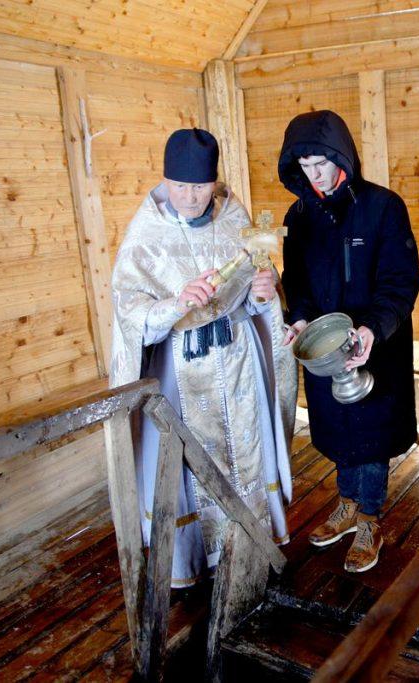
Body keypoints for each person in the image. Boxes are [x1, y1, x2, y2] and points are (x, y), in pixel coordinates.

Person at [110, 128, 298, 587]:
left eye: (200, 187)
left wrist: (263, 290)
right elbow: (130, 312)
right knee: (187, 463)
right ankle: (192, 560)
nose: (191, 198)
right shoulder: (145, 234)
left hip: (237, 358)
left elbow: (258, 286)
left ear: (214, 181)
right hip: (180, 368)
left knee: (248, 453)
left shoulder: (234, 215)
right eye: (181, 187)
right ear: (165, 180)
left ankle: (250, 542)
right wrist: (176, 303)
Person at [278, 110, 419, 573]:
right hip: (324, 346)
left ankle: (369, 518)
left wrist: (372, 329)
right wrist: (298, 320)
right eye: (304, 166)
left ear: (341, 155)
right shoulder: (298, 218)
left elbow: (401, 282)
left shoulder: (383, 207)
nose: (314, 174)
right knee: (337, 426)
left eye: (321, 162)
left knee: (371, 430)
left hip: (375, 341)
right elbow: (295, 283)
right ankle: (345, 504)